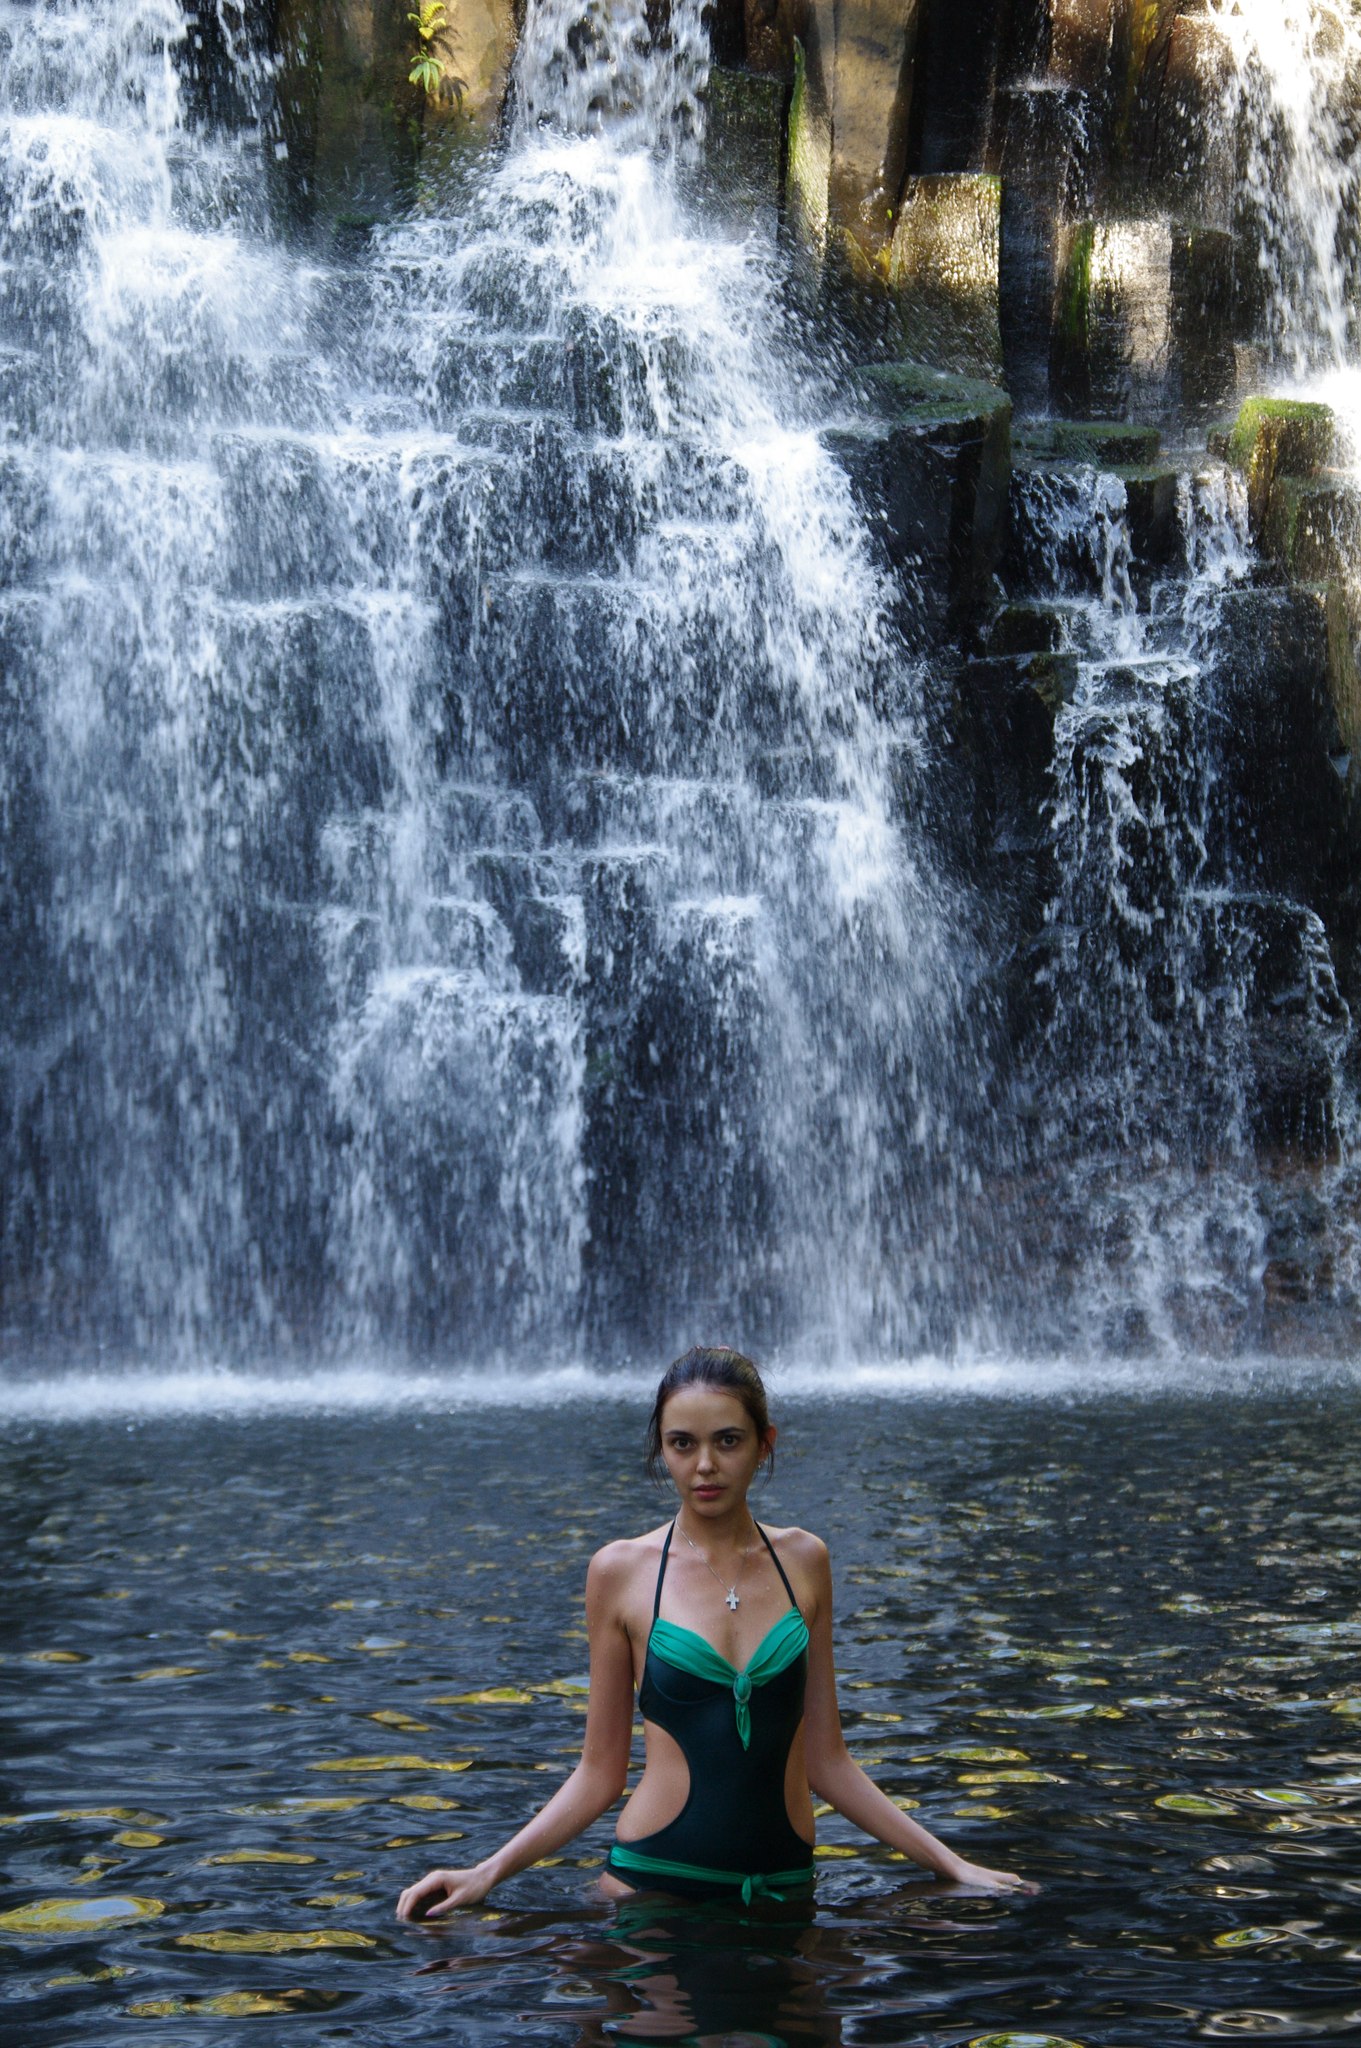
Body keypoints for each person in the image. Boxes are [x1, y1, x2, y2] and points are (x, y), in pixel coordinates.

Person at [397, 1345, 1027, 1920]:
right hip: (654, 1889)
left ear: (764, 1444)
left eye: (728, 1441)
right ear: (660, 1449)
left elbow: (828, 1762)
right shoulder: (619, 1572)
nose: (705, 1466)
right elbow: (599, 1774)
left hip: (785, 1889)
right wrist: (487, 1872)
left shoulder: (806, 1561)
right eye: (682, 1444)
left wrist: (951, 1865)